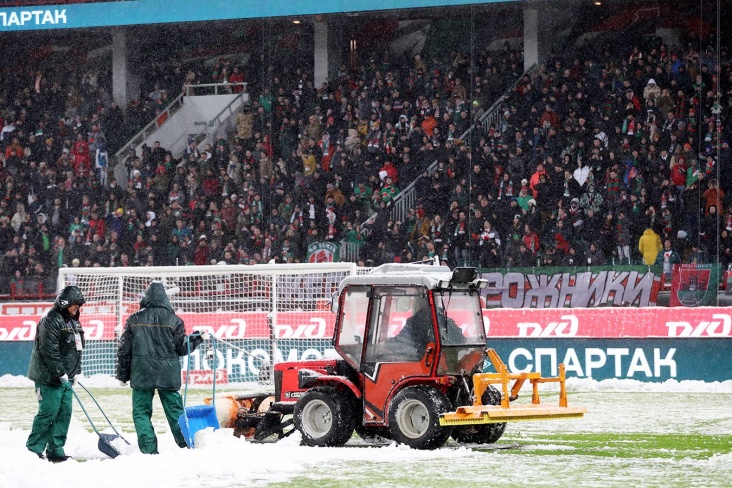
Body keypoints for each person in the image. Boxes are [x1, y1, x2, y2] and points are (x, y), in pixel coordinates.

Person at [115, 282, 204, 454]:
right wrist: (197, 338)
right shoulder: (175, 320)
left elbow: (124, 350)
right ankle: (187, 443)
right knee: (175, 411)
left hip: (142, 373)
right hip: (168, 374)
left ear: (146, 298)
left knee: (141, 412)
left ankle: (148, 450)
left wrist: (122, 375)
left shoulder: (134, 319)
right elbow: (182, 348)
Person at [26, 285, 86, 462]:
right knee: (48, 412)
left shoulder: (74, 321)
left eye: (79, 305)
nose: (77, 308)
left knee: (64, 413)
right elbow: (49, 350)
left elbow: (76, 349)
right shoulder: (51, 319)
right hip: (49, 378)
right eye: (75, 304)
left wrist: (75, 372)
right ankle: (33, 449)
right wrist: (60, 373)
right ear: (65, 303)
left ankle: (55, 449)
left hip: (65, 378)